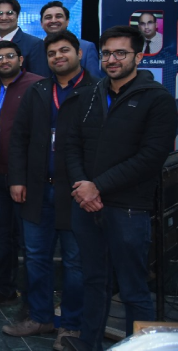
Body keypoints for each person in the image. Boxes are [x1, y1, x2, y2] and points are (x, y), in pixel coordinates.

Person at [66, 25, 176, 350]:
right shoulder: (89, 95)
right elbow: (71, 145)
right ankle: (90, 343)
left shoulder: (158, 99)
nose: (112, 60)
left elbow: (151, 157)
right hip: (86, 206)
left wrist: (96, 186)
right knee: (94, 281)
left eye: (120, 53)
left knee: (133, 289)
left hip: (128, 208)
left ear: (139, 57)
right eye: (106, 54)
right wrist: (83, 187)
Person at [4, 30, 97, 349]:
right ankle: (40, 316)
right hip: (36, 190)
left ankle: (71, 325)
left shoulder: (95, 90)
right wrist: (17, 179)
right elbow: (19, 138)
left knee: (75, 262)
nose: (58, 56)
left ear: (79, 53)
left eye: (64, 50)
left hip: (76, 193)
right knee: (36, 258)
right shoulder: (38, 90)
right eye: (52, 53)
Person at [0, 41, 43, 306]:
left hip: (26, 177)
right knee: (3, 237)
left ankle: (32, 300)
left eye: (10, 56)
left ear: (21, 59)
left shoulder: (37, 85)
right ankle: (4, 289)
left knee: (30, 242)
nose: (5, 61)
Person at [0, 0, 49, 77]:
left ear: (17, 16)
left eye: (9, 13)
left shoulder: (34, 44)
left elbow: (41, 80)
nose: (4, 18)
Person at [39, 1, 100, 76]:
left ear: (67, 21)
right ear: (41, 23)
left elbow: (94, 79)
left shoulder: (86, 47)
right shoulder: (36, 48)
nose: (53, 20)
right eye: (48, 17)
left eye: (58, 16)